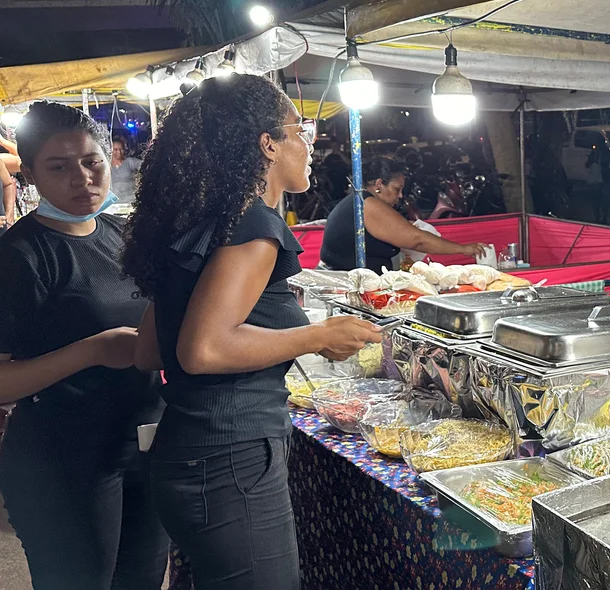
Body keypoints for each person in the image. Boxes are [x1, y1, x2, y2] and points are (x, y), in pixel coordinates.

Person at [120, 74, 382, 589]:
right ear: (268, 144)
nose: (308, 144)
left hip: (186, 457)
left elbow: (149, 351)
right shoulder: (252, 227)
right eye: (299, 130)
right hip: (229, 463)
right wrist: (316, 335)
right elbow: (203, 349)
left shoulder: (201, 221)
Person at [0, 101, 168, 589]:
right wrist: (92, 351)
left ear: (110, 159)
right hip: (62, 459)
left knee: (141, 579)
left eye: (91, 162)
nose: (82, 179)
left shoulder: (123, 234)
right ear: (29, 174)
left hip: (142, 443)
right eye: (59, 167)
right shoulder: (21, 257)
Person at [320, 155, 488, 271]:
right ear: (379, 184)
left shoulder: (360, 201)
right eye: (397, 189)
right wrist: (463, 249)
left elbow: (404, 232)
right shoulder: (367, 204)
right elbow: (417, 240)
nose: (400, 196)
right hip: (346, 287)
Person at [110, 137, 143, 204]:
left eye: (121, 149)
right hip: (113, 203)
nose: (119, 152)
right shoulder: (106, 166)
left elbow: (146, 165)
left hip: (130, 201)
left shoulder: (129, 162)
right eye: (116, 149)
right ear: (111, 150)